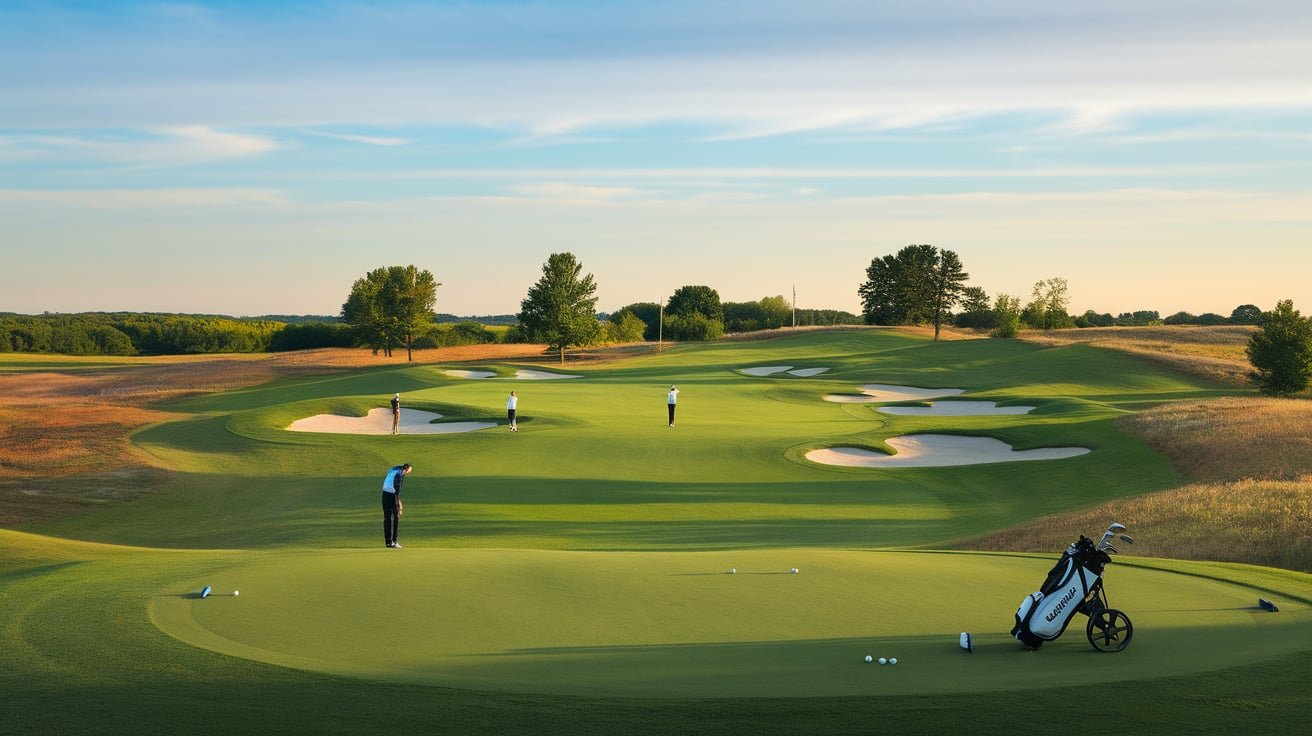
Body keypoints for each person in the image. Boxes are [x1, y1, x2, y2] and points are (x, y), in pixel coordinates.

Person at [381, 463, 411, 548]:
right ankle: (394, 541)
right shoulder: (400, 474)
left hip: (384, 494)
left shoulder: (394, 469)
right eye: (408, 471)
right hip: (393, 495)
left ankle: (388, 542)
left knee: (387, 518)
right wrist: (400, 505)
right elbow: (397, 490)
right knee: (396, 517)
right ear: (406, 469)